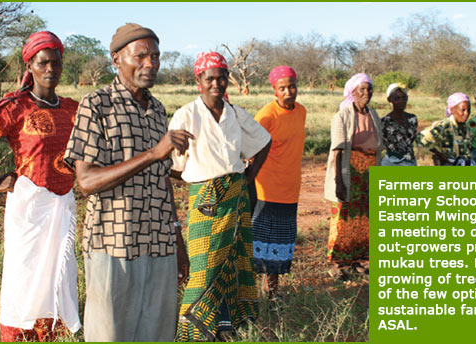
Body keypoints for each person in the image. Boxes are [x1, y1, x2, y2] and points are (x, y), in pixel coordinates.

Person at [63, 23, 193, 342]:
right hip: (112, 242)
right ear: (116, 60)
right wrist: (153, 152)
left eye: (155, 57)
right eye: (140, 56)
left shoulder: (158, 110)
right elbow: (87, 180)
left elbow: (163, 180)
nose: (150, 64)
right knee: (110, 332)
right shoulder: (96, 105)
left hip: (158, 240)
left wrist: (177, 239)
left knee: (157, 331)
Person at [0, 31, 81, 342]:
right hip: (30, 210)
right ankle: (18, 336)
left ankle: (51, 335)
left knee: (56, 278)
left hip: (62, 207)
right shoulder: (14, 108)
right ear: (29, 65)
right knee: (25, 277)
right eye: (43, 63)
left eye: (56, 63)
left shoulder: (73, 110)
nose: (50, 70)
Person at [169, 51, 271, 341]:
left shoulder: (236, 114)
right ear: (198, 81)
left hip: (237, 197)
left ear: (228, 80)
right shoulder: (186, 115)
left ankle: (228, 325)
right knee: (203, 267)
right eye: (210, 78)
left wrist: (248, 176)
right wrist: (198, 177)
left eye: (221, 77)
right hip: (205, 200)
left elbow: (264, 142)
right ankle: (194, 329)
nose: (217, 83)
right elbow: (173, 166)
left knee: (236, 261)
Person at [252, 66, 306, 300]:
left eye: (291, 86)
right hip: (266, 189)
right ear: (274, 90)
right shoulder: (265, 116)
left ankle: (272, 292)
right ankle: (248, 296)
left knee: (281, 243)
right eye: (282, 88)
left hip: (290, 188)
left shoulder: (302, 111)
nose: (288, 92)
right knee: (259, 244)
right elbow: (252, 151)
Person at [324, 73, 383, 279]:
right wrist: (339, 181)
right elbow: (338, 151)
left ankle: (357, 260)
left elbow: (379, 147)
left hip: (369, 171)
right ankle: (339, 263)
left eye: (369, 89)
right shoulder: (342, 116)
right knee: (343, 216)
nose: (366, 93)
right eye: (362, 89)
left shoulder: (374, 115)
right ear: (352, 92)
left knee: (364, 218)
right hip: (349, 170)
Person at [418, 92, 474, 166]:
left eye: (468, 110)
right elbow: (420, 140)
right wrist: (438, 155)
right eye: (463, 110)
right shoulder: (444, 126)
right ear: (452, 109)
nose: (466, 113)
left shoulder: (467, 130)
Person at [381, 83, 419, 166]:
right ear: (389, 99)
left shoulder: (412, 119)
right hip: (391, 163)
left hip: (410, 162)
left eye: (404, 98)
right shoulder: (384, 122)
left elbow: (411, 140)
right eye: (397, 98)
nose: (401, 101)